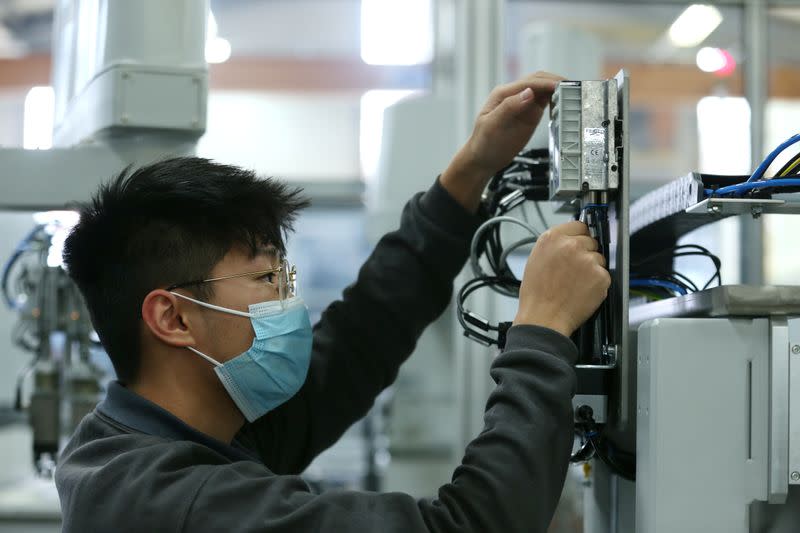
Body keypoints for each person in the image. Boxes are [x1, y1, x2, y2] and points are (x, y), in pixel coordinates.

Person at [55, 71, 610, 532]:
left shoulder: (150, 440)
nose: (287, 303)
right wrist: (543, 328)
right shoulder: (182, 503)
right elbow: (473, 527)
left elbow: (355, 345)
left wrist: (470, 169)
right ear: (173, 318)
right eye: (267, 280)